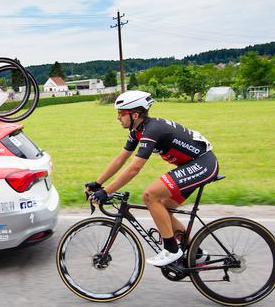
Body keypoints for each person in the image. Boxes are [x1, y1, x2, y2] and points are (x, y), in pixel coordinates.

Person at [85, 90, 219, 267]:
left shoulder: (152, 130)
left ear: (135, 114)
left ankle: (171, 250)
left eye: (121, 113)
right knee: (163, 208)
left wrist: (106, 192)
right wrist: (98, 183)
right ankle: (197, 253)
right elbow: (121, 159)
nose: (118, 118)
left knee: (150, 195)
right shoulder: (137, 131)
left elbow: (134, 168)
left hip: (203, 164)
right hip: (192, 165)